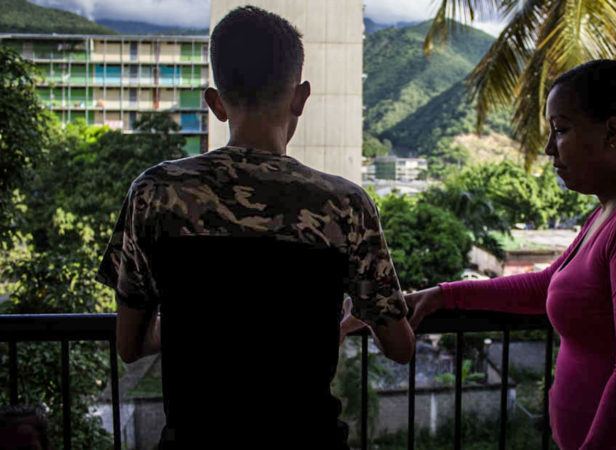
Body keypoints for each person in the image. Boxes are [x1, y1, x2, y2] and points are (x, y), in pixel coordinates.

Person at [95, 6, 414, 448]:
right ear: (300, 97)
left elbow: (130, 345)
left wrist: (205, 322)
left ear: (215, 102)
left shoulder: (156, 193)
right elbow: (401, 346)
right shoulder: (344, 205)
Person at [406, 60, 616, 450]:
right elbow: (548, 284)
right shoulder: (611, 211)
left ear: (612, 131)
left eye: (562, 130)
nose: (549, 147)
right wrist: (444, 295)